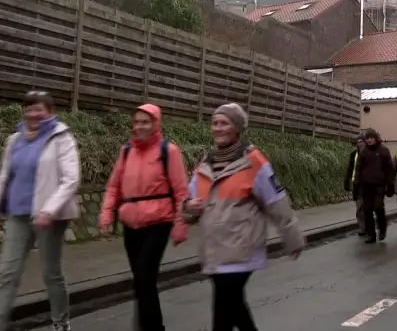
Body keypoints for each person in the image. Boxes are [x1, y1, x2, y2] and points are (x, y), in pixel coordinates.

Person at [182, 103, 305, 331]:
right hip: (214, 250)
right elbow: (189, 203)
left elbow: (276, 202)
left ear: (237, 128)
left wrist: (293, 238)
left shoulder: (254, 161)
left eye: (224, 123)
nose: (218, 128)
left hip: (242, 248)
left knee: (224, 310)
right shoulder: (205, 163)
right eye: (215, 123)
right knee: (233, 308)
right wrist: (189, 206)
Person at [0, 91, 81, 331]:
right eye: (29, 109)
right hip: (18, 215)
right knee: (7, 274)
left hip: (50, 217)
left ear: (50, 112)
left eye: (39, 109)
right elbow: (4, 178)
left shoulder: (61, 137)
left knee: (51, 274)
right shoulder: (14, 140)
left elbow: (71, 178)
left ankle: (60, 321)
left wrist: (48, 210)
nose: (33, 114)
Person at [99, 104, 189, 331]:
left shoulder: (168, 152)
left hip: (158, 223)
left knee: (144, 278)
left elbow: (181, 192)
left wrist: (180, 226)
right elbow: (114, 186)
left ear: (156, 124)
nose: (140, 126)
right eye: (137, 122)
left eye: (145, 122)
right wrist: (106, 215)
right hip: (130, 224)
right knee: (141, 281)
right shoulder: (126, 151)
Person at [354, 129, 395, 244]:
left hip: (379, 184)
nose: (369, 140)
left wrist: (390, 184)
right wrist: (357, 183)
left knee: (378, 207)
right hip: (366, 185)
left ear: (375, 138)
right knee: (367, 210)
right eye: (367, 138)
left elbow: (389, 169)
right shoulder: (364, 152)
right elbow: (359, 169)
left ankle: (382, 228)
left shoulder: (383, 151)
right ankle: (371, 234)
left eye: (371, 138)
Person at [344, 135, 367, 236]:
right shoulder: (354, 154)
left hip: (367, 184)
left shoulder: (369, 153)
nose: (359, 143)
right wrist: (347, 181)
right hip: (356, 184)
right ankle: (363, 228)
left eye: (361, 141)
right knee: (359, 207)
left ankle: (368, 227)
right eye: (358, 142)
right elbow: (350, 168)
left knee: (366, 207)